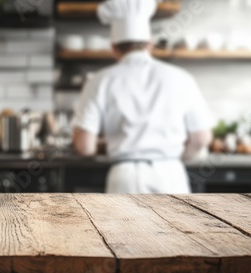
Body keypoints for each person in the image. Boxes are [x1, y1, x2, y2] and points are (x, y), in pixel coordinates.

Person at [71, 0, 213, 194]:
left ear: (113, 47)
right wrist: (176, 158)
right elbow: (201, 138)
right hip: (171, 174)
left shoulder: (98, 80)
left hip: (125, 177)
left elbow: (83, 146)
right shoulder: (182, 77)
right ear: (151, 44)